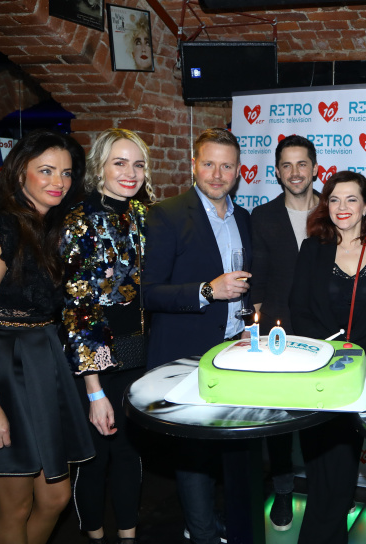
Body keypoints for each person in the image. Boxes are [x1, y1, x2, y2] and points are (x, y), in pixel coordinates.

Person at [0, 130, 92, 544]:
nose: (59, 182)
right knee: (13, 506)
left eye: (66, 173)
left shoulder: (48, 229)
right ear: (20, 175)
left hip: (42, 362)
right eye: (46, 171)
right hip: (1, 371)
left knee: (54, 498)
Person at [142, 127, 252, 544]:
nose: (217, 174)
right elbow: (149, 293)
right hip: (184, 353)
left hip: (233, 351)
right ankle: (201, 532)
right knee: (193, 453)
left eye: (227, 166)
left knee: (226, 448)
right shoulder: (167, 214)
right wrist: (207, 290)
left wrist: (249, 327)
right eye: (209, 164)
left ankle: (215, 521)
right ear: (193, 165)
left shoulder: (244, 218)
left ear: (238, 171)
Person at [61, 129, 155, 544]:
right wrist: (94, 390)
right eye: (120, 163)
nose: (130, 172)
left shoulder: (143, 215)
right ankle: (94, 536)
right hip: (94, 362)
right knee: (95, 457)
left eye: (138, 164)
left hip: (137, 355)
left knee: (130, 453)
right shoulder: (78, 219)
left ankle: (128, 534)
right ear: (99, 166)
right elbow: (78, 309)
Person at [289, 170, 366, 544]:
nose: (342, 207)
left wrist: (362, 359)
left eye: (351, 199)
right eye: (334, 199)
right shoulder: (312, 248)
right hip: (318, 374)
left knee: (344, 463)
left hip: (361, 376)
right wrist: (327, 355)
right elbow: (299, 309)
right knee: (320, 467)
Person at [249, 135, 319, 531]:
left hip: (325, 333)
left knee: (321, 417)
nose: (295, 172)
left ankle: (328, 492)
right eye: (287, 165)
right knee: (278, 420)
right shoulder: (262, 217)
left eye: (302, 164)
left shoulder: (335, 208)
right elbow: (257, 282)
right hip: (277, 333)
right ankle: (283, 489)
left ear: (314, 168)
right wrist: (258, 334)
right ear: (277, 172)